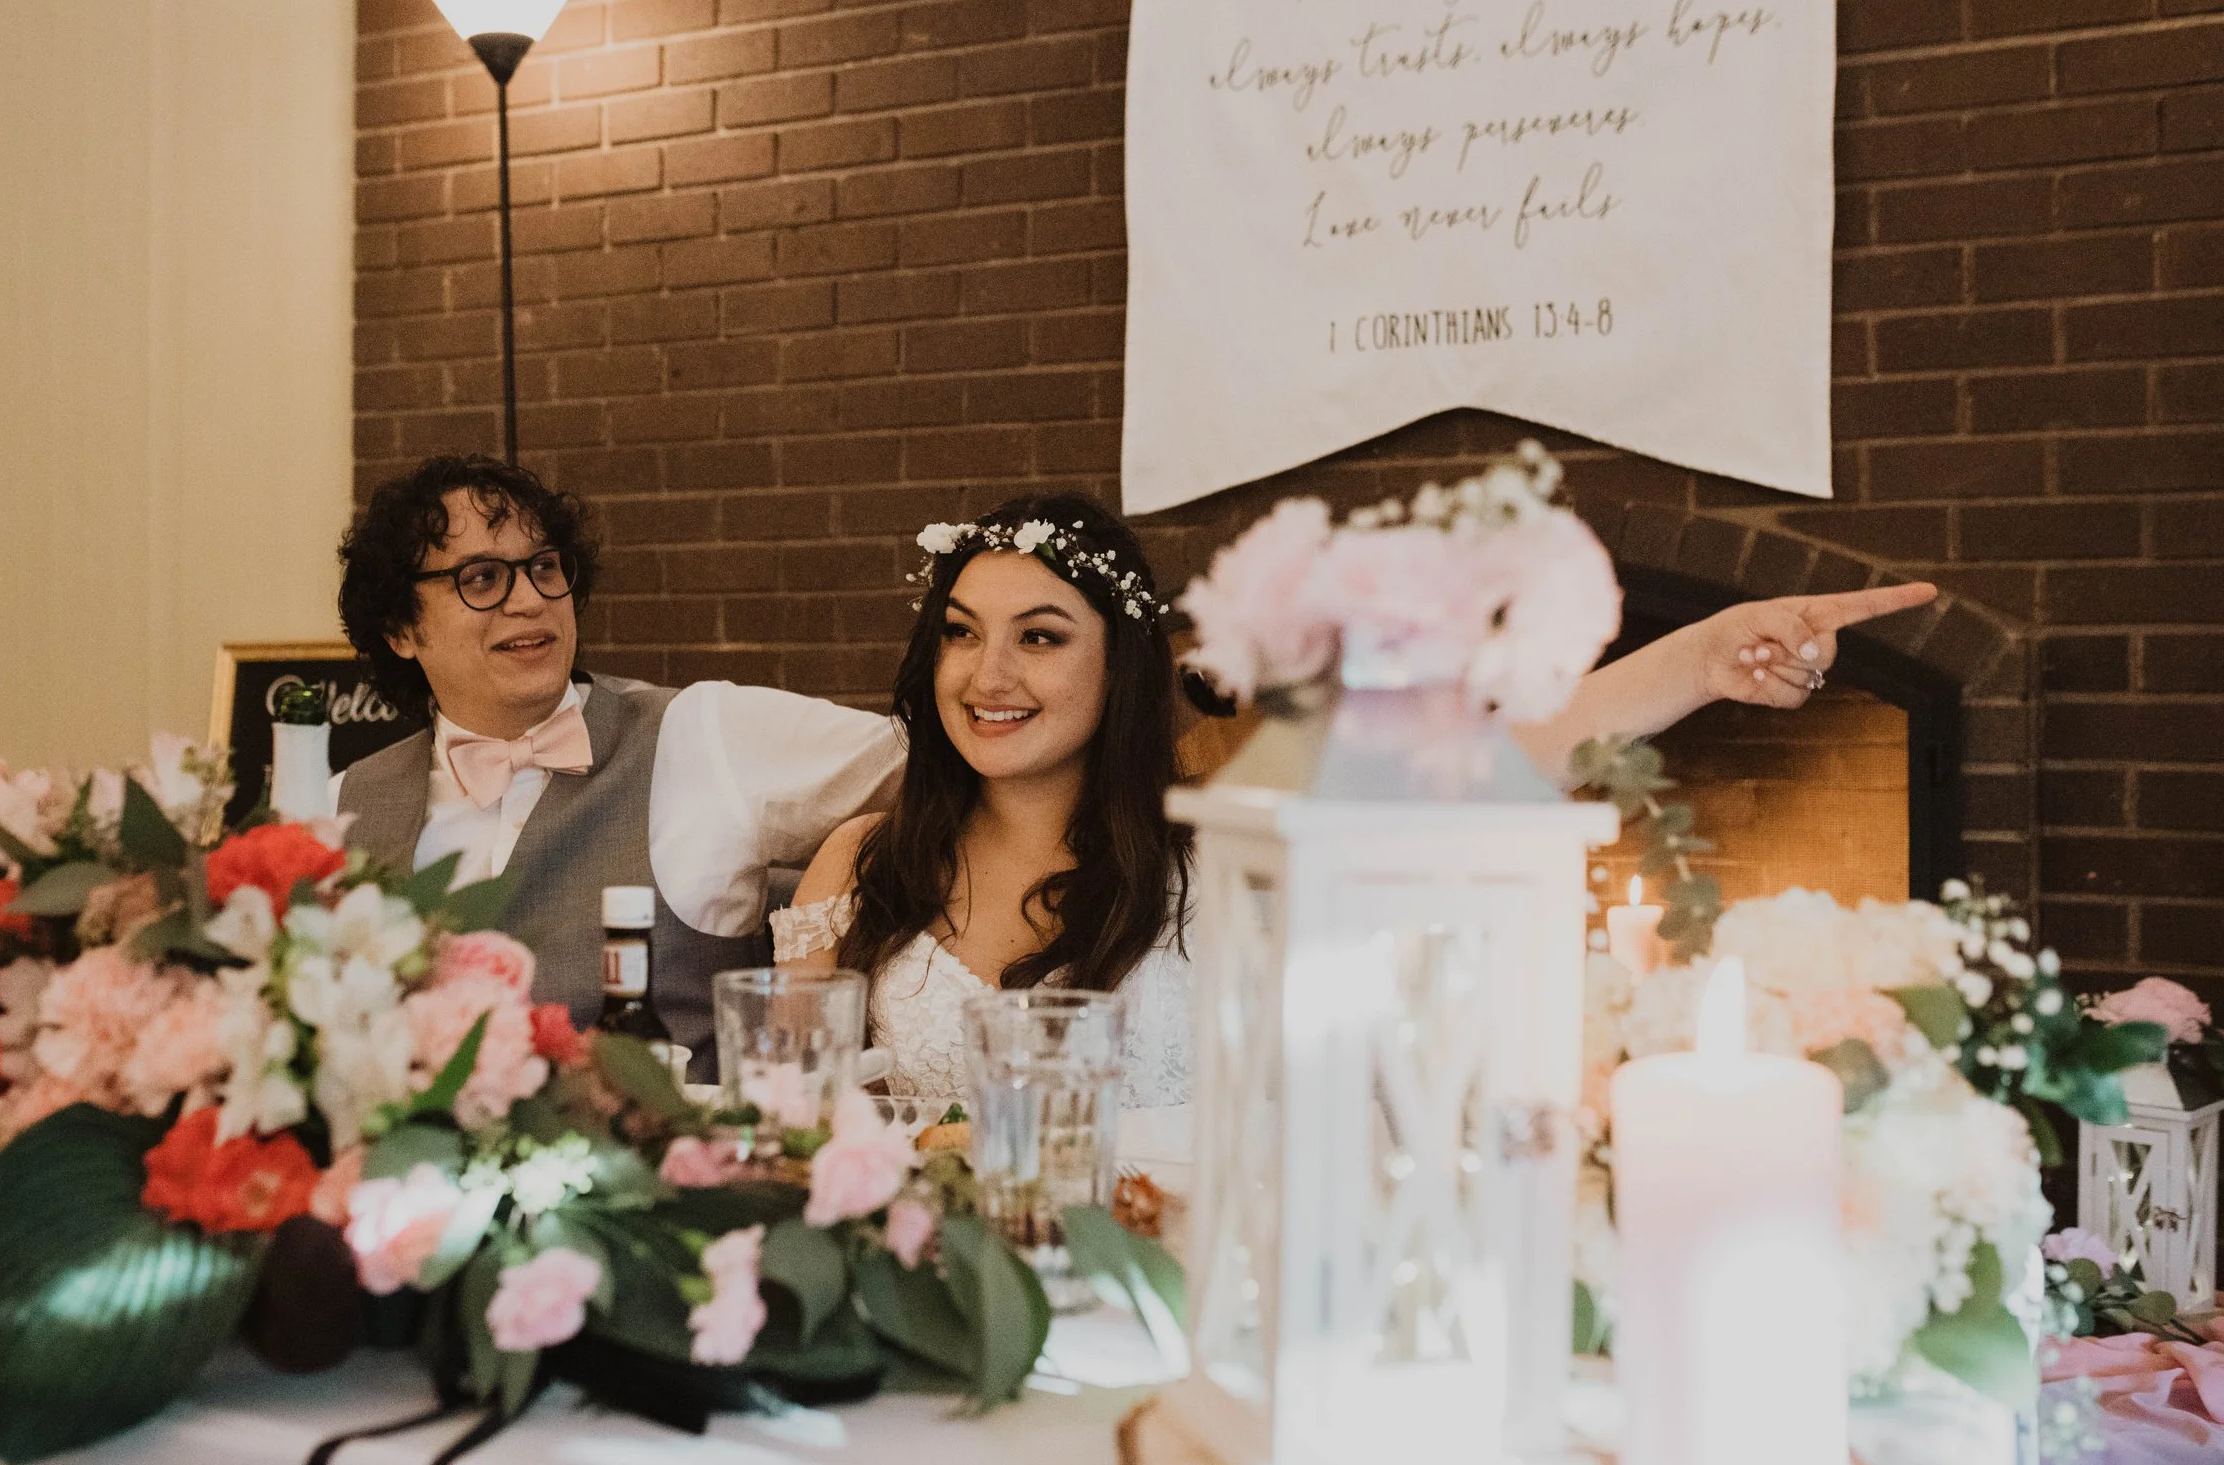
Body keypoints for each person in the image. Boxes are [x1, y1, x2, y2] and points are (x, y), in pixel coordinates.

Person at [772, 491, 1935, 1107]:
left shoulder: (1221, 859)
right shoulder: (863, 866)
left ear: (1117, 667)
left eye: (1039, 637)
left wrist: (1702, 657)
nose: (989, 677)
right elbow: (785, 1123)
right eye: (962, 636)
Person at [332, 456, 901, 1072]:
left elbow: (950, 767)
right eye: (482, 577)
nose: (529, 600)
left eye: (545, 567)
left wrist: (844, 861)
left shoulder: (702, 735)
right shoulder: (333, 807)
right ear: (400, 630)